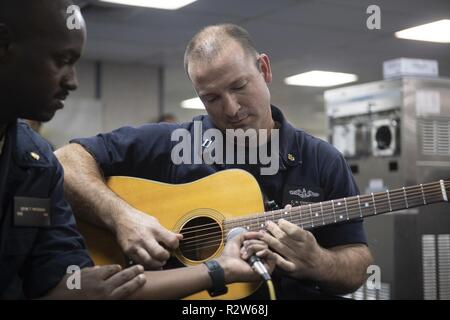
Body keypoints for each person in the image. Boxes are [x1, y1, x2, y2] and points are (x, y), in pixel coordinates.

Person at [56, 24, 373, 299]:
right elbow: (66, 160)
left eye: (239, 86)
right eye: (212, 98)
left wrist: (318, 261)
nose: (232, 108)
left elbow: (357, 262)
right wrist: (121, 217)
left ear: (264, 69)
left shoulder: (321, 159)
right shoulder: (170, 144)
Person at [0, 1, 267, 300]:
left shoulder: (36, 163)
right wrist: (121, 216)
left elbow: (71, 282)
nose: (72, 80)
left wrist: (221, 270)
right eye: (61, 60)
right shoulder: (165, 141)